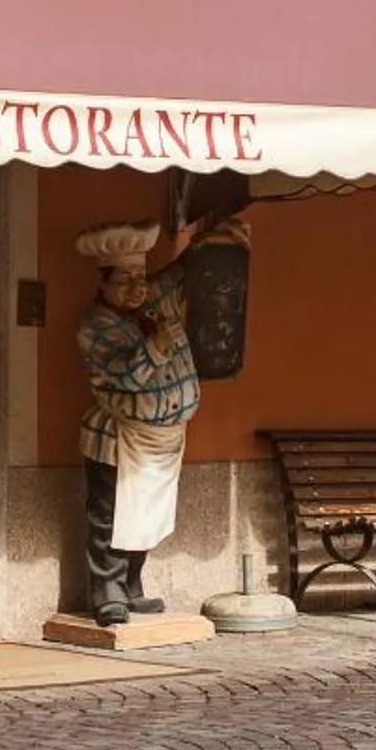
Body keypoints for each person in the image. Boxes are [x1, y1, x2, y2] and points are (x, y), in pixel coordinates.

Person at [73, 214, 247, 626]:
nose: (136, 289)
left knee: (147, 516)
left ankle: (132, 586)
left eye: (140, 278)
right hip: (120, 436)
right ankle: (107, 592)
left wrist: (215, 239)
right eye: (124, 280)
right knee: (111, 516)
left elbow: (185, 271)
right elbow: (124, 377)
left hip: (165, 438)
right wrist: (155, 347)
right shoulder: (94, 325)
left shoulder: (152, 297)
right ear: (102, 283)